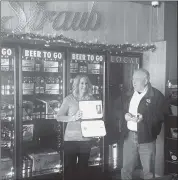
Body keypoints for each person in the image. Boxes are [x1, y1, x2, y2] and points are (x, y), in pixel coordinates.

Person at [120, 68, 169, 180]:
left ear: (146, 80)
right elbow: (119, 110)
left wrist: (144, 118)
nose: (134, 82)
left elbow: (162, 116)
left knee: (148, 172)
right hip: (129, 137)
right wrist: (125, 115)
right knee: (126, 170)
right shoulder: (128, 94)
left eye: (137, 79)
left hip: (147, 139)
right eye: (133, 79)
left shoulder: (157, 96)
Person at [55, 75, 95, 179]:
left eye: (86, 83)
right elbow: (58, 117)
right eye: (82, 83)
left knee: (83, 169)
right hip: (71, 139)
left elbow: (95, 118)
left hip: (86, 139)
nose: (84, 86)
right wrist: (73, 118)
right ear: (77, 85)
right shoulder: (69, 99)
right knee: (70, 169)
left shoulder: (91, 99)